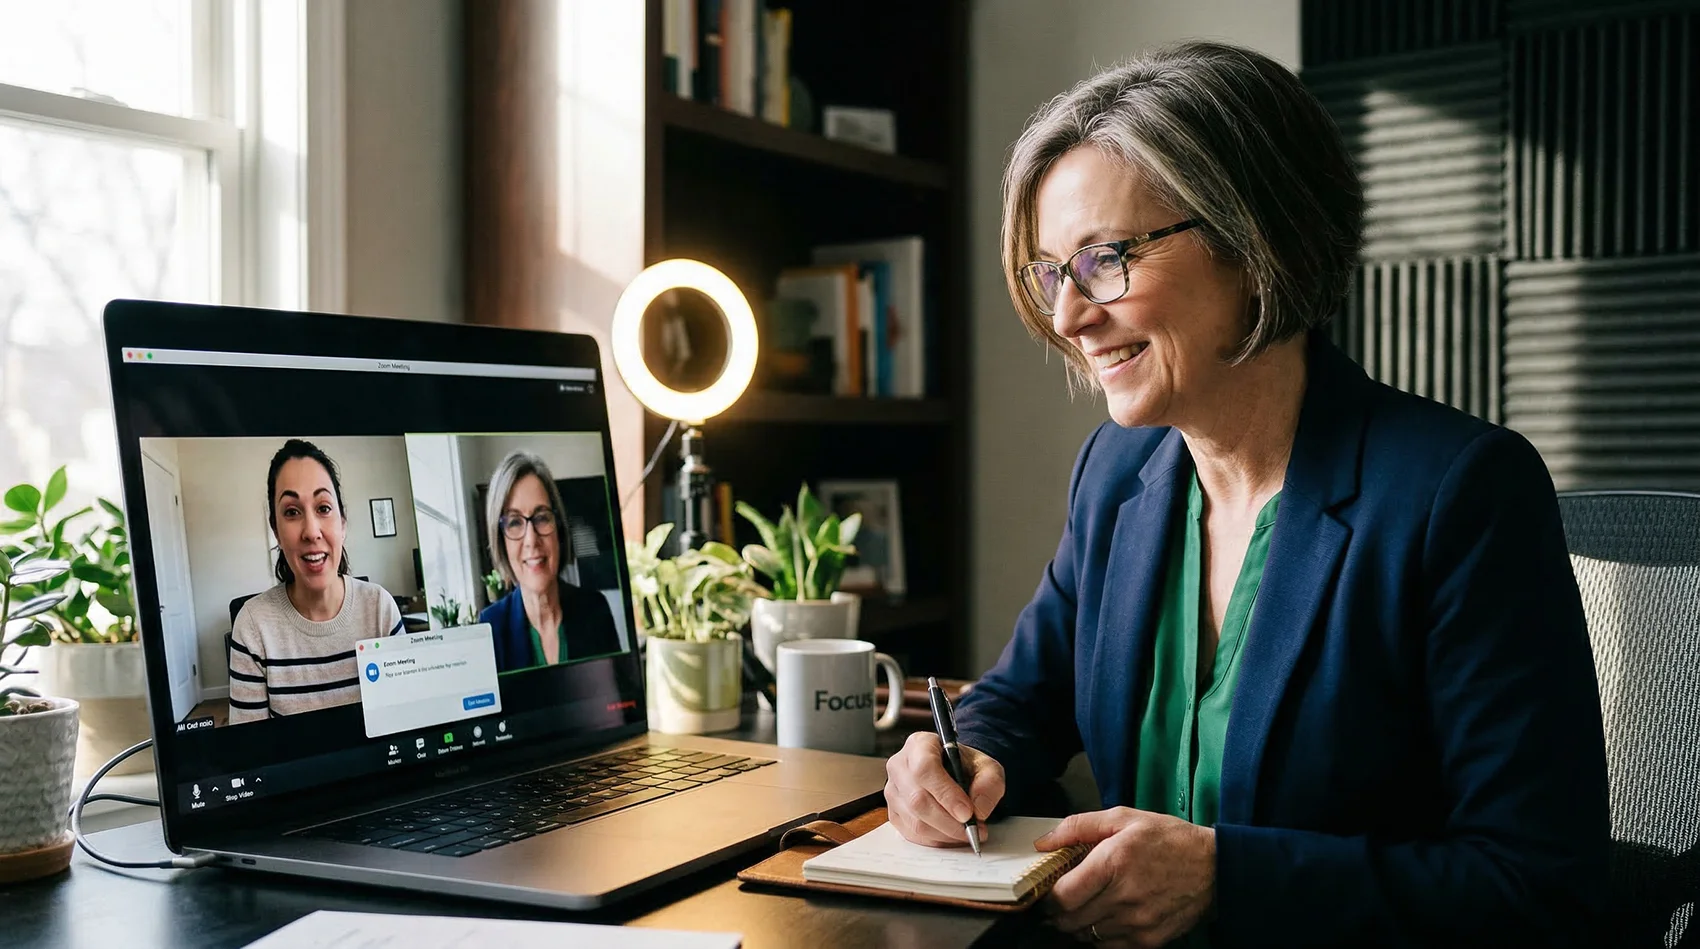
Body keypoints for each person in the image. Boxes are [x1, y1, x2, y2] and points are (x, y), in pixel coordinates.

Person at [882, 41, 1608, 948]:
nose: (1068, 316)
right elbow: (1021, 699)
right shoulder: (1115, 473)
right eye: (1049, 271)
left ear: (1252, 237)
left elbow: (1541, 886)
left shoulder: (1458, 494)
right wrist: (961, 759)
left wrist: (1231, 879)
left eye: (1105, 259)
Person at [229, 440, 405, 724]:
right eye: (291, 512)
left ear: (343, 523)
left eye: (323, 508)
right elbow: (252, 757)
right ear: (276, 529)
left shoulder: (380, 609)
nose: (311, 532)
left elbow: (404, 726)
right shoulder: (252, 626)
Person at [479, 451, 621, 672]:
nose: (531, 539)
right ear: (501, 540)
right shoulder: (490, 627)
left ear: (560, 528)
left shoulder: (596, 610)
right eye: (515, 522)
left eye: (542, 517)